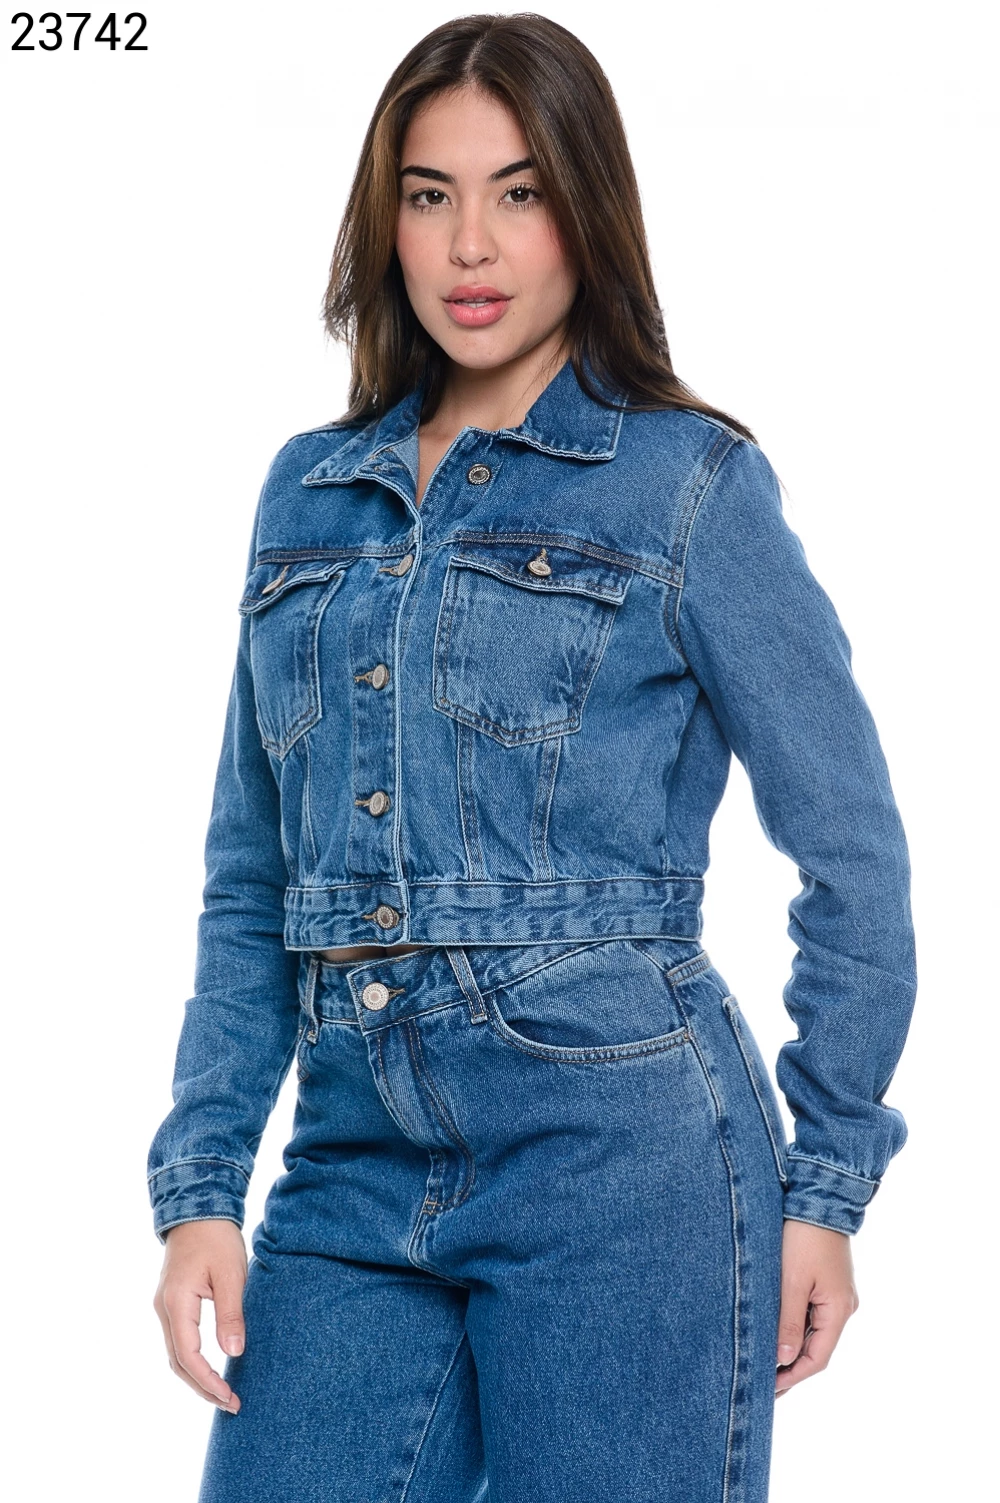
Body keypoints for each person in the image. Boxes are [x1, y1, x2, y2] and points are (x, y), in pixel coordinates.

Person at [149, 14, 917, 1502]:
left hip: (623, 1163)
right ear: (384, 220)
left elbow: (852, 849)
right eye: (429, 195)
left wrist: (827, 1184)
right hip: (352, 1162)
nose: (470, 245)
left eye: (519, 192)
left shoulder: (688, 484)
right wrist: (201, 1184)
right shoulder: (310, 492)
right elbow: (253, 879)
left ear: (588, 208)